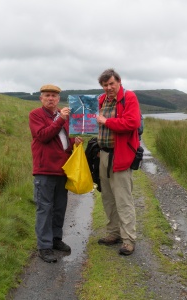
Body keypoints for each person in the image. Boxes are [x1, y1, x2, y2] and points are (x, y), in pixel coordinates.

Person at [29, 84, 83, 263]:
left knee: (59, 208)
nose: (51, 98)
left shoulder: (64, 116)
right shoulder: (36, 115)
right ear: (41, 98)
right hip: (45, 170)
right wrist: (60, 118)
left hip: (62, 169)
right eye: (47, 95)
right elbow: (43, 135)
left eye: (54, 96)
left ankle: (55, 239)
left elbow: (65, 139)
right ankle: (44, 247)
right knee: (45, 208)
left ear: (59, 99)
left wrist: (76, 140)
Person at [95, 69, 141, 256]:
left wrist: (107, 121)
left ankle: (128, 240)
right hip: (103, 155)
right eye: (105, 85)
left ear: (119, 82)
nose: (109, 88)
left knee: (123, 199)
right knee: (107, 197)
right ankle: (113, 233)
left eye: (111, 84)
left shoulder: (129, 98)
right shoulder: (101, 100)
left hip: (121, 155)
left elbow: (132, 123)